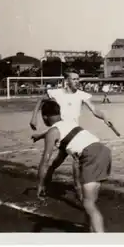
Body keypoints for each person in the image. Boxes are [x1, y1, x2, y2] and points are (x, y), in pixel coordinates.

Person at [30, 71, 114, 199]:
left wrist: (104, 117)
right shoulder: (56, 93)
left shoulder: (82, 95)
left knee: (59, 163)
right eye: (74, 79)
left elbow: (94, 110)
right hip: (60, 134)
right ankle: (76, 191)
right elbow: (41, 100)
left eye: (78, 79)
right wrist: (34, 118)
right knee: (69, 162)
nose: (77, 81)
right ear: (67, 81)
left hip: (73, 133)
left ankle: (52, 185)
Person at [33, 99, 112, 232]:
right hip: (103, 151)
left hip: (90, 156)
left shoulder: (53, 132)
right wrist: (50, 172)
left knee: (88, 203)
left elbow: (44, 161)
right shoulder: (69, 124)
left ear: (45, 117)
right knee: (90, 201)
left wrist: (41, 184)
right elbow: (58, 159)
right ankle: (92, 232)